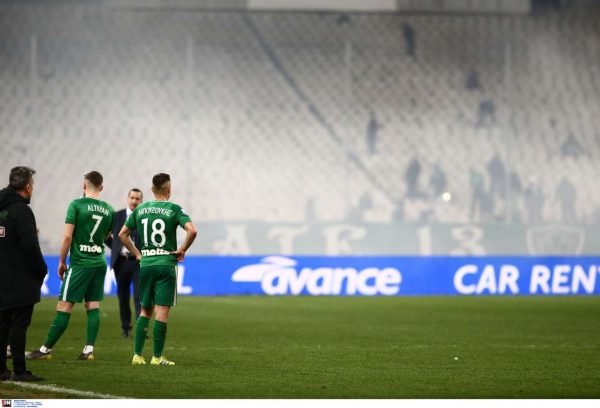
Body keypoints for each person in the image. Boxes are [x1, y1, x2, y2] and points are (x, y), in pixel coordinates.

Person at [28, 171, 115, 361]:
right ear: (101, 187)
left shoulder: (76, 205)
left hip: (80, 263)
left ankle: (45, 350)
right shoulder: (109, 209)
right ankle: (88, 350)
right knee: (93, 305)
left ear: (84, 185)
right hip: (99, 261)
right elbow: (107, 235)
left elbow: (67, 237)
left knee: (64, 305)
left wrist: (61, 261)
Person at [119, 173, 196, 366]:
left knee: (145, 310)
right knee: (161, 312)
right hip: (165, 264)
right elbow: (192, 230)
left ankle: (137, 355)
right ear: (169, 190)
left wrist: (137, 254)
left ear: (152, 189)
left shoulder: (140, 209)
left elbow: (122, 234)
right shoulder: (174, 209)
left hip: (146, 264)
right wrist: (182, 249)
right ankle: (157, 357)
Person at [0, 166, 47, 382]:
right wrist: (42, 269)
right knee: (19, 324)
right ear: (27, 186)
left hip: (2, 276)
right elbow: (30, 245)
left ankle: (1, 369)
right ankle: (19, 370)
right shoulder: (22, 210)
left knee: (3, 324)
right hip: (20, 278)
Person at [105, 188, 143, 338]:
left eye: (137, 199)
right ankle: (125, 328)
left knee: (140, 297)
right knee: (123, 297)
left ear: (141, 201)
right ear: (128, 198)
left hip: (138, 262)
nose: (134, 201)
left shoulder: (143, 217)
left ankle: (141, 329)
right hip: (121, 262)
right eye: (132, 198)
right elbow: (105, 235)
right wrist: (115, 247)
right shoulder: (117, 216)